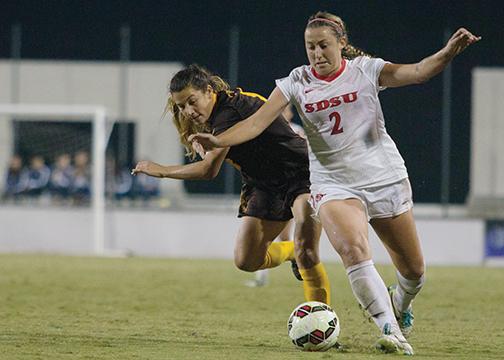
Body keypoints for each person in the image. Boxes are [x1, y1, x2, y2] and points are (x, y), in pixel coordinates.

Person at [188, 12, 480, 355]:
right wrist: (218, 141)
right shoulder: (295, 81)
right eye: (310, 47)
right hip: (332, 184)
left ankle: (400, 302)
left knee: (414, 272)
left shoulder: (366, 70)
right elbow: (255, 124)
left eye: (323, 45)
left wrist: (447, 53)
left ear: (342, 43)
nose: (316, 53)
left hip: (383, 177)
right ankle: (391, 331)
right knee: (353, 251)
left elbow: (417, 73)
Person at [131, 64, 331, 305]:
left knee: (307, 245)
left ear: (208, 90)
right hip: (263, 185)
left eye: (192, 101)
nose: (188, 111)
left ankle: (322, 320)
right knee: (246, 260)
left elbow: (208, 170)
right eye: (182, 106)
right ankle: (292, 252)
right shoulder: (215, 118)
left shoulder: (230, 112)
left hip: (301, 173)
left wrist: (162, 171)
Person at [245, 105, 305, 288]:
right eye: (285, 110)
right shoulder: (265, 128)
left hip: (291, 188)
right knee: (273, 236)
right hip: (271, 189)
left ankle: (300, 257)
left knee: (271, 236)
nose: (289, 113)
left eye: (287, 111)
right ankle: (299, 259)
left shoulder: (297, 130)